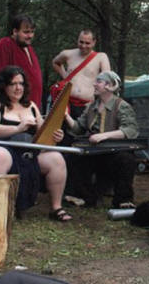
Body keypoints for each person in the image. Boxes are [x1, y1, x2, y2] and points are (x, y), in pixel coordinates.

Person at [0, 66, 71, 221]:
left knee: (56, 158)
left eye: (21, 84)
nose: (18, 88)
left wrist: (55, 135)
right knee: (0, 155)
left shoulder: (30, 106)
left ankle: (56, 208)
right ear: (4, 85)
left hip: (27, 154)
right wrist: (17, 128)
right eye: (13, 84)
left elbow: (43, 132)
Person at [64, 71, 139, 209]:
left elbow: (130, 130)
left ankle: (123, 200)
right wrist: (66, 116)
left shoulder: (121, 106)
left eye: (99, 81)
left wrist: (103, 135)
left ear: (109, 86)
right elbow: (79, 128)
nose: (94, 84)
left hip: (114, 152)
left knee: (126, 160)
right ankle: (86, 198)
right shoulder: (91, 107)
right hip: (95, 152)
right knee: (75, 157)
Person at [52, 30, 111, 202]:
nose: (84, 46)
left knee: (84, 146)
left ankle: (84, 188)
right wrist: (66, 78)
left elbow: (107, 78)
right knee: (64, 144)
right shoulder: (68, 54)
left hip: (87, 107)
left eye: (87, 43)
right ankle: (64, 188)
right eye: (81, 42)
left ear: (94, 42)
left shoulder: (101, 57)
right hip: (67, 105)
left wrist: (100, 101)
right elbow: (56, 62)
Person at [0, 14, 43, 109]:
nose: (30, 36)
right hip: (13, 110)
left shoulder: (29, 48)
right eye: (26, 32)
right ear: (15, 31)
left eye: (32, 32)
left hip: (32, 107)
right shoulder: (5, 44)